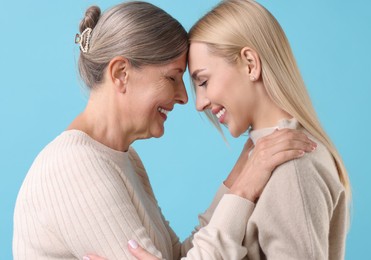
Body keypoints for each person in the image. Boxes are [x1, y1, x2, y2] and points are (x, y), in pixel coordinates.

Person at [13, 1, 316, 260]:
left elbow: (179, 255)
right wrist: (244, 189)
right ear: (121, 73)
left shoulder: (124, 159)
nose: (185, 97)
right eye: (173, 78)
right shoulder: (74, 167)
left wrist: (239, 174)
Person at [88, 0, 351, 259]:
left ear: (250, 63)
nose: (199, 103)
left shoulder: (291, 165)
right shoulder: (262, 158)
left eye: (203, 81)